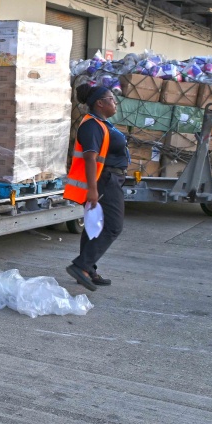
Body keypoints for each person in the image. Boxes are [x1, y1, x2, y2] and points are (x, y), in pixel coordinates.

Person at [63, 84, 129, 292]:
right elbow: (90, 158)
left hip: (108, 179)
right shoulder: (91, 125)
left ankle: (87, 269)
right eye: (111, 98)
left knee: (94, 225)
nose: (115, 102)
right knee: (112, 226)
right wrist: (92, 189)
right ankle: (81, 265)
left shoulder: (101, 124)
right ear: (100, 103)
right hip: (104, 181)